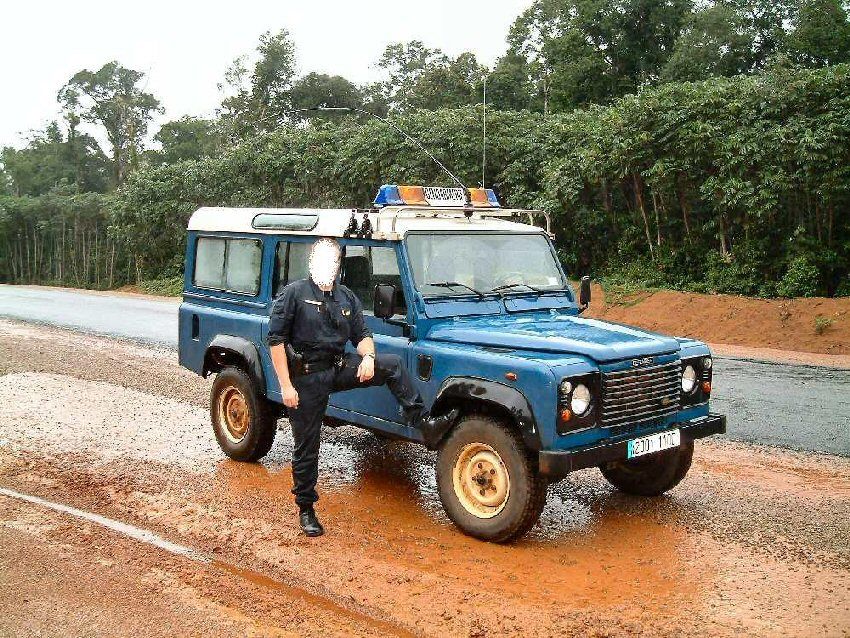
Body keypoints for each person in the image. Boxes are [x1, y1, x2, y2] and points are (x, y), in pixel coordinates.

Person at [267, 237, 456, 537]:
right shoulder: (294, 293)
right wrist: (286, 386)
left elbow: (362, 334)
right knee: (307, 445)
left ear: (338, 265)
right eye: (322, 259)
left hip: (338, 367)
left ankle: (423, 423)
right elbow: (276, 341)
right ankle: (306, 509)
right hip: (306, 378)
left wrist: (368, 356)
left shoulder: (346, 297)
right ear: (312, 262)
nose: (328, 265)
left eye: (333, 260)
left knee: (391, 365)